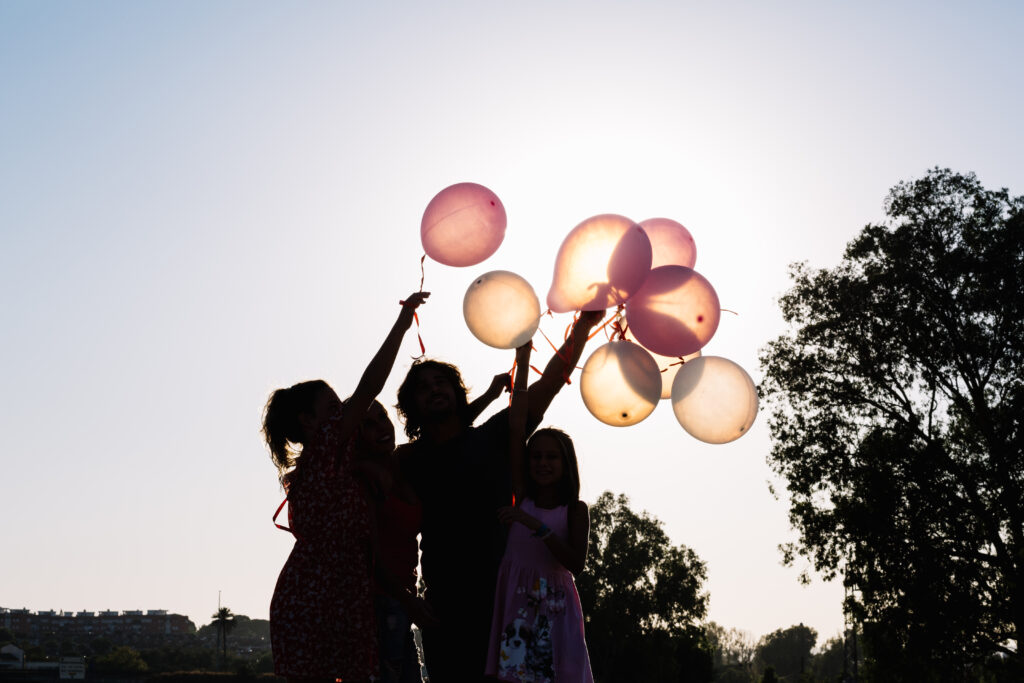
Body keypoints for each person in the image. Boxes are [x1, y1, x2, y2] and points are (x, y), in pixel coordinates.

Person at [395, 310, 603, 681]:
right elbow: (386, 532)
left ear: (457, 392)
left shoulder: (493, 438)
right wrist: (407, 595)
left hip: (507, 597)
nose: (434, 389)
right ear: (412, 405)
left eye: (441, 381)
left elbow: (550, 384)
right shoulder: (408, 460)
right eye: (423, 387)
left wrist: (584, 326)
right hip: (444, 604)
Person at [263, 291, 429, 683]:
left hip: (332, 595)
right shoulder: (325, 449)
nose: (346, 414)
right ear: (309, 421)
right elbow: (370, 386)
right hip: (321, 598)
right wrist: (403, 323)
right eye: (335, 408)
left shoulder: (332, 463)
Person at [362, 374, 510, 683]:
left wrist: (491, 394)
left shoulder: (406, 460)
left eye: (383, 418)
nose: (381, 428)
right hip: (397, 604)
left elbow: (449, 428)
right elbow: (369, 554)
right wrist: (408, 600)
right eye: (368, 425)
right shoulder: (378, 473)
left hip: (467, 601)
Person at [485, 342, 593, 682]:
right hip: (517, 606)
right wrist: (523, 359)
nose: (543, 463)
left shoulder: (573, 510)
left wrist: (537, 527)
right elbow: (517, 428)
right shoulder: (524, 495)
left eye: (551, 457)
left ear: (565, 464)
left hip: (555, 609)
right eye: (537, 456)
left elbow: (576, 564)